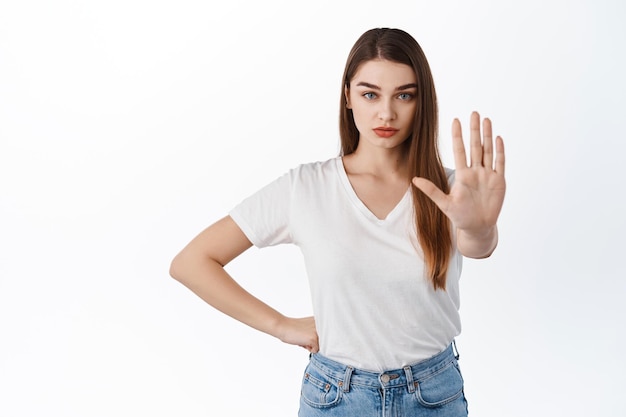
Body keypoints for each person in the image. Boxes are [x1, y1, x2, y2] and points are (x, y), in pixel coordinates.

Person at [170, 27, 505, 417]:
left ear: (422, 101)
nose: (386, 113)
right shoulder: (306, 188)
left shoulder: (450, 191)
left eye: (404, 95)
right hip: (337, 397)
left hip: (432, 395)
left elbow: (478, 246)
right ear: (348, 97)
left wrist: (479, 227)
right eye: (370, 94)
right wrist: (281, 325)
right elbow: (191, 262)